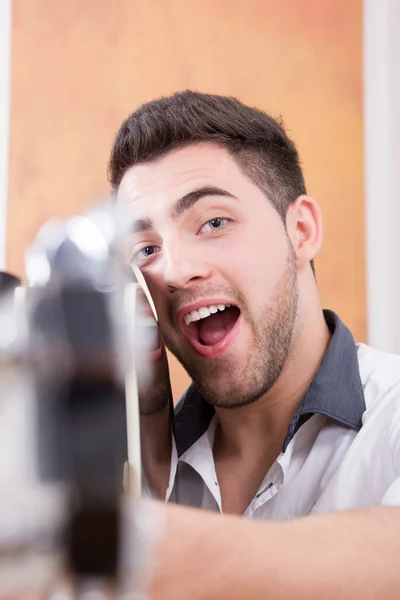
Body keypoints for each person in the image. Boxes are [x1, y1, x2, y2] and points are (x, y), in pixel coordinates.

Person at [109, 91, 400, 598]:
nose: (175, 271)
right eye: (146, 250)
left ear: (302, 230)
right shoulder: (147, 466)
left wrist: (121, 541)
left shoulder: (392, 417)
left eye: (214, 222)